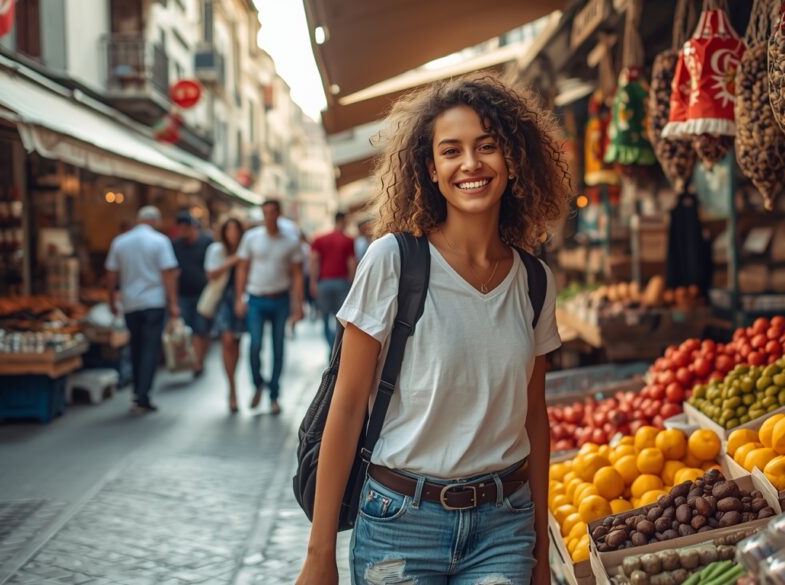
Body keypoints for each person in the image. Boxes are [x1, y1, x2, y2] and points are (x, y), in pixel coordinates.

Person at [296, 75, 570, 585]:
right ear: (431, 168)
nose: (471, 164)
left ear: (513, 161)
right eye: (452, 151)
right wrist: (319, 553)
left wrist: (538, 551)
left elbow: (534, 417)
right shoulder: (393, 262)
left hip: (502, 527)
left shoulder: (534, 282)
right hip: (400, 523)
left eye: (488, 146)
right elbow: (349, 405)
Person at [105, 206, 180, 414]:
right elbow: (168, 274)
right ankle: (142, 394)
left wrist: (111, 299)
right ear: (154, 221)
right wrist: (173, 303)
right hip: (154, 301)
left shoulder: (120, 241)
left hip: (130, 303)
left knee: (136, 346)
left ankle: (137, 391)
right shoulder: (160, 241)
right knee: (150, 348)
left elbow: (111, 273)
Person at [235, 199, 305, 415]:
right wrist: (239, 297)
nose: (269, 217)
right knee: (254, 345)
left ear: (279, 213)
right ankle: (258, 384)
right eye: (265, 213)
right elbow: (242, 269)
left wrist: (298, 305)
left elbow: (296, 274)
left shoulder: (291, 240)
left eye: (272, 212)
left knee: (278, 348)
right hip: (256, 298)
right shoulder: (251, 237)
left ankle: (274, 395)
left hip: (280, 298)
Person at [204, 217, 246, 413]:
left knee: (236, 343)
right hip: (222, 300)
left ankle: (234, 379)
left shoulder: (246, 249)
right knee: (227, 340)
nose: (232, 234)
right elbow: (211, 274)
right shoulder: (216, 250)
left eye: (235, 230)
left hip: (242, 299)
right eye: (228, 230)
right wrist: (232, 261)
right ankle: (232, 388)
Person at [172, 211, 213, 376]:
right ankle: (197, 361)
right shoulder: (176, 245)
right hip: (184, 294)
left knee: (201, 330)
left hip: (203, 294)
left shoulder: (206, 243)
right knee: (192, 330)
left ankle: (199, 361)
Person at [310, 212, 356, 352]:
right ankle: (336, 349)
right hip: (342, 283)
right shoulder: (348, 240)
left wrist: (313, 282)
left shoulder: (319, 239)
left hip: (324, 283)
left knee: (324, 318)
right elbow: (351, 263)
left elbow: (314, 261)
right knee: (341, 320)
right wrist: (352, 283)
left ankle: (330, 346)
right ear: (344, 221)